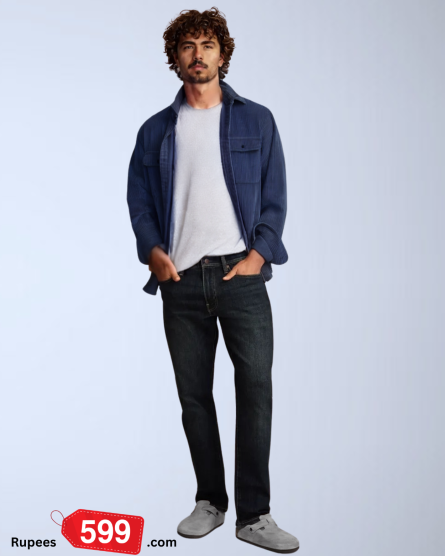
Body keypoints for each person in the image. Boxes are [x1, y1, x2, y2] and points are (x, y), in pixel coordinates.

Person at [127, 7, 299, 553]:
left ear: (223, 54)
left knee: (255, 392)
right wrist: (153, 253)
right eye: (187, 45)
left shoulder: (257, 120)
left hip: (239, 276)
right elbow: (139, 203)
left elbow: (275, 195)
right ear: (175, 57)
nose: (197, 54)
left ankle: (255, 515)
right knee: (194, 398)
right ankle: (210, 502)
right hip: (180, 282)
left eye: (207, 44)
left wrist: (258, 255)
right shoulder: (155, 130)